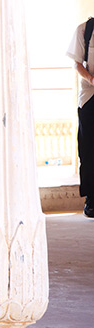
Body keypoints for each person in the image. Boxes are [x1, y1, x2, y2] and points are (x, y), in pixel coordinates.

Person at [67, 17, 94, 218]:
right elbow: (77, 64)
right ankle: (91, 199)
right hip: (90, 96)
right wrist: (92, 79)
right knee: (88, 149)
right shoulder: (85, 30)